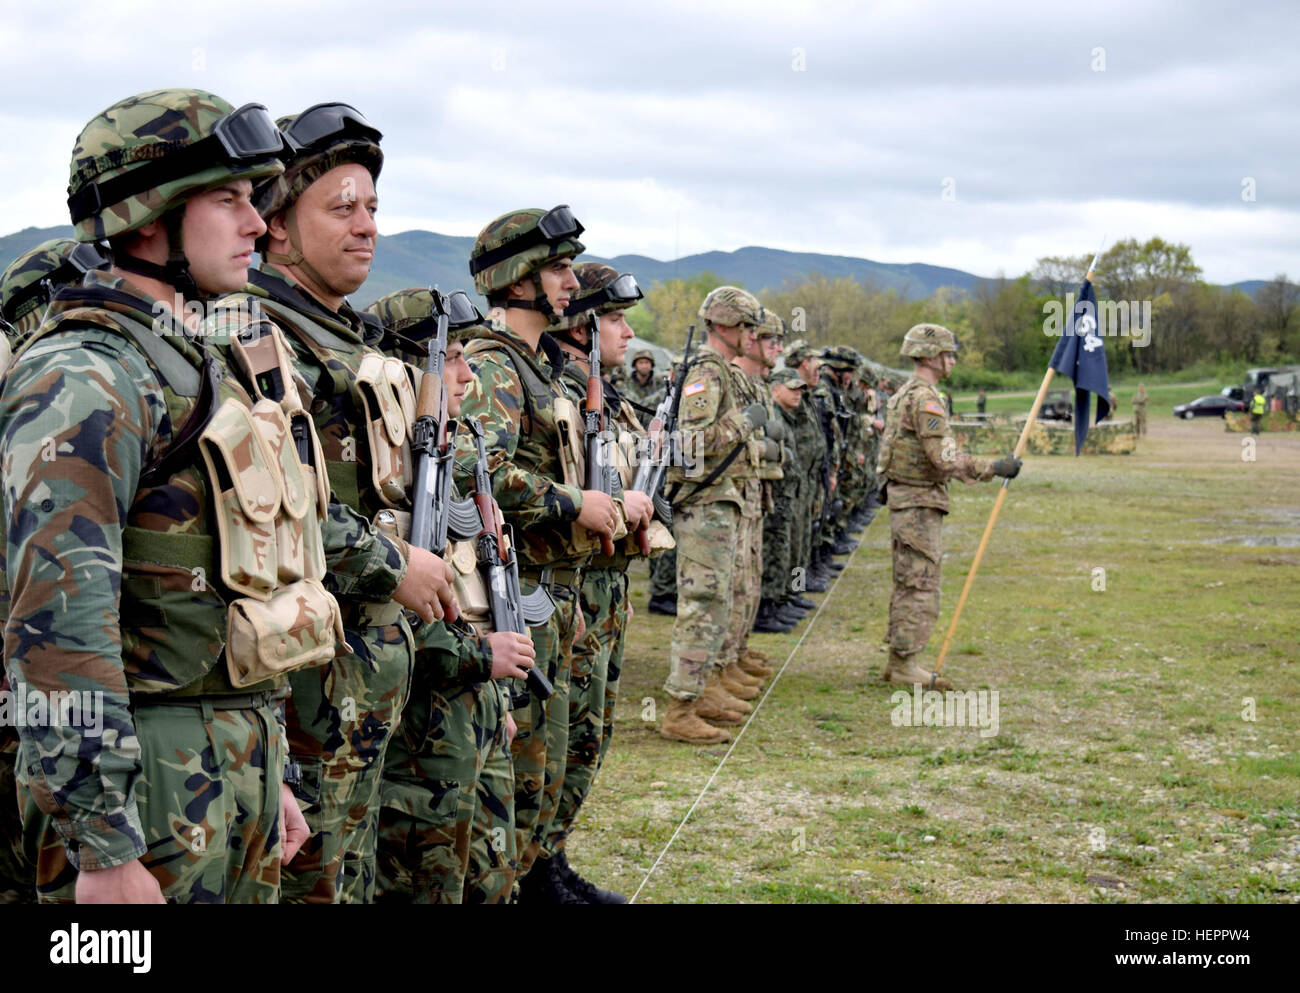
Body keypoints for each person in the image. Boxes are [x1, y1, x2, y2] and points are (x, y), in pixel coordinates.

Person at [1, 88, 336, 904]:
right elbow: (57, 627)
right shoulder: (87, 374)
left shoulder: (186, 361)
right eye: (228, 199)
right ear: (147, 216)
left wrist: (269, 772)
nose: (258, 223)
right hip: (140, 788)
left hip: (220, 765)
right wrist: (103, 846)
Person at [234, 102, 459, 903]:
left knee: (356, 872)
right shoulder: (255, 336)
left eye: (371, 208)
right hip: (307, 685)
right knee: (315, 882)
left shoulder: (345, 335)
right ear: (278, 228)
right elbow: (277, 504)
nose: (366, 226)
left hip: (371, 671)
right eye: (341, 207)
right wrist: (391, 560)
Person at [456, 206, 628, 901]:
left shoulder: (541, 368)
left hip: (559, 589)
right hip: (517, 591)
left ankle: (541, 875)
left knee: (554, 760)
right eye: (555, 268)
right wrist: (571, 502)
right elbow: (481, 468)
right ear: (516, 278)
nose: (568, 282)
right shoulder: (496, 365)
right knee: (521, 767)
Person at [362, 288, 538, 905]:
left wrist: (495, 694)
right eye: (452, 358)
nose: (467, 374)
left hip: (471, 706)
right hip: (420, 729)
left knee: (490, 873)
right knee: (423, 881)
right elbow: (391, 619)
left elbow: (465, 590)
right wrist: (476, 661)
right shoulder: (382, 473)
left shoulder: (450, 453)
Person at [548, 262, 664, 901]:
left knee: (585, 737)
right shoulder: (549, 386)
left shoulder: (605, 393)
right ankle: (536, 871)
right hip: (570, 583)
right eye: (614, 319)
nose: (626, 333)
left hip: (605, 583)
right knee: (555, 737)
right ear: (580, 324)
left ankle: (552, 859)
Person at [877, 324, 1022, 691]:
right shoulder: (924, 398)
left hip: (910, 500)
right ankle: (905, 663)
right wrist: (992, 468)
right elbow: (943, 457)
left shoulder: (906, 393)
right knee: (919, 585)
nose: (953, 359)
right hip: (917, 501)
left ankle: (900, 660)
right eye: (947, 353)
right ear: (929, 356)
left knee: (910, 582)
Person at [659, 286, 767, 744]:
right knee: (702, 603)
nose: (750, 335)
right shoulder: (705, 371)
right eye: (744, 326)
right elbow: (692, 441)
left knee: (718, 599)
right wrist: (747, 421)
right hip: (704, 504)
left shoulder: (720, 370)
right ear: (722, 325)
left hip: (722, 502)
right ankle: (680, 708)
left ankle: (701, 692)